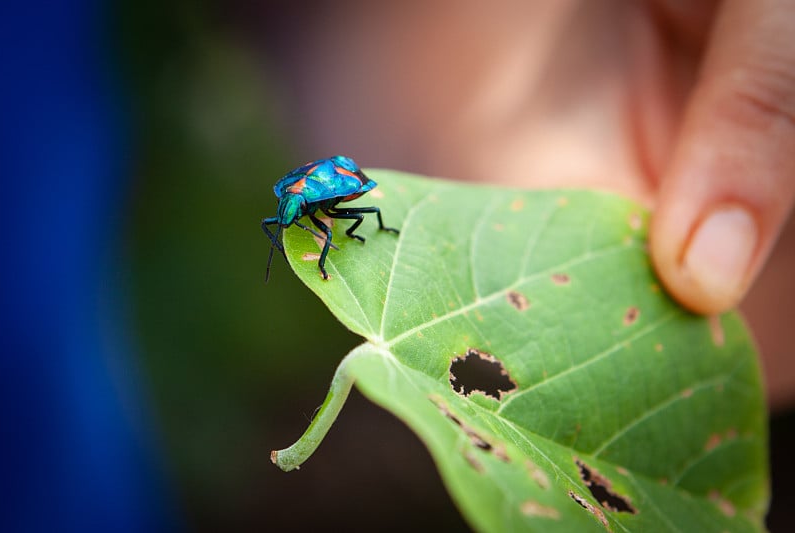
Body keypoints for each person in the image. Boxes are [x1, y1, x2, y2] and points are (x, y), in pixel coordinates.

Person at [258, 0, 795, 405]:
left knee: (357, 221)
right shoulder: (292, 192)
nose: (289, 225)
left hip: (352, 161)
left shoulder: (305, 198)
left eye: (290, 223)